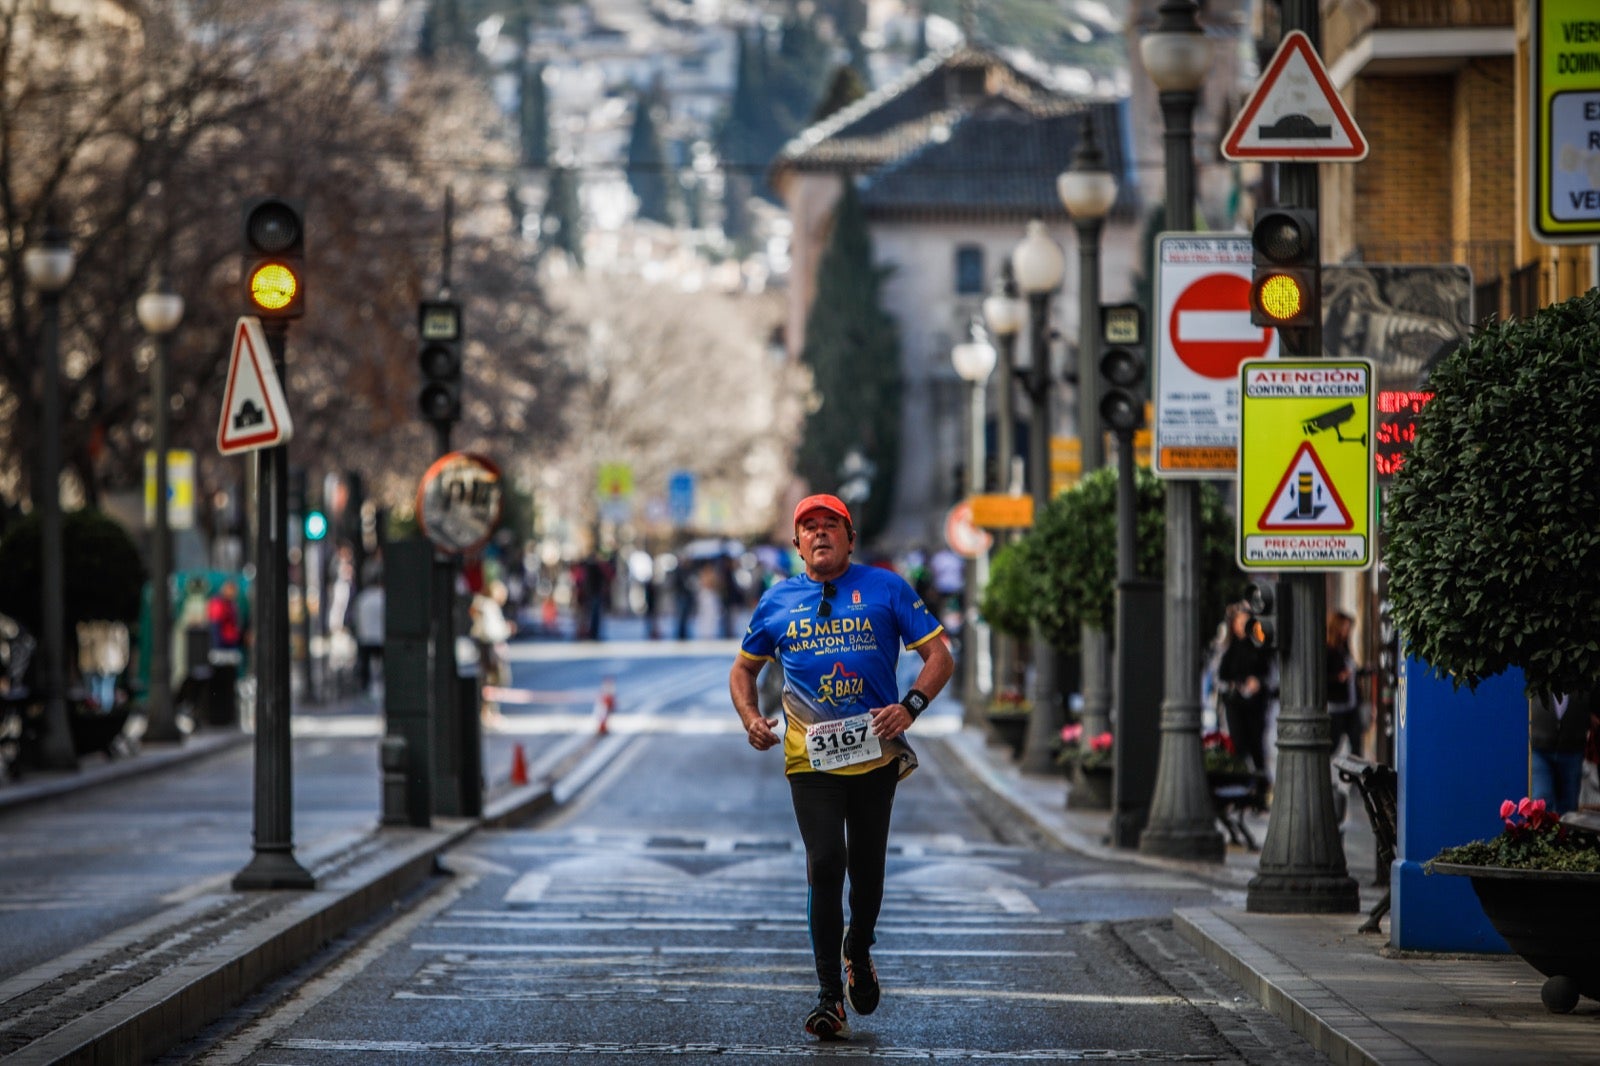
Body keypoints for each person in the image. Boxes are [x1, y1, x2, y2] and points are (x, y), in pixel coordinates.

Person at [729, 493, 953, 1041]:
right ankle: (830, 996)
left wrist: (910, 706)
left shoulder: (887, 588)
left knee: (868, 872)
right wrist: (750, 717)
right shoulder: (777, 601)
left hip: (874, 753)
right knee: (826, 861)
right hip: (811, 759)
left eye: (832, 525)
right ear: (797, 543)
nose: (821, 533)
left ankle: (859, 946)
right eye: (810, 527)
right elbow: (743, 670)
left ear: (851, 538)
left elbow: (940, 655)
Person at [1215, 600, 1274, 778]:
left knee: (1256, 742)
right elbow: (1221, 676)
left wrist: (1258, 682)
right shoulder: (1228, 648)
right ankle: (1241, 778)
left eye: (1246, 622)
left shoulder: (1260, 647)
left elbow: (1269, 673)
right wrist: (1237, 684)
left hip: (1256, 704)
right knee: (1238, 742)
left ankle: (1260, 780)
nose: (1242, 626)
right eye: (1239, 622)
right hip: (1234, 703)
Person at [1530, 688, 1593, 815]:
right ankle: (1541, 833)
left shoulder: (1583, 676)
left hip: (1573, 747)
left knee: (1568, 807)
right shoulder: (1539, 674)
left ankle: (1565, 834)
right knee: (1542, 799)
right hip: (1541, 747)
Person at [1325, 609, 1363, 757]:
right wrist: (1339, 677)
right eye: (1345, 627)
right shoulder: (1329, 650)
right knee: (1333, 744)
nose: (1348, 631)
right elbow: (1324, 677)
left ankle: (1356, 779)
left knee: (1356, 743)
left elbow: (1352, 671)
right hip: (1336, 706)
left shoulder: (1344, 649)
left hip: (1351, 704)